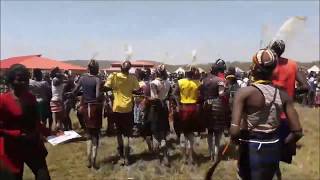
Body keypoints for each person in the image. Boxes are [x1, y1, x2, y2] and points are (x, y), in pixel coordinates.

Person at [230, 49, 303, 180]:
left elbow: (234, 132)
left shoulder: (244, 93)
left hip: (250, 148)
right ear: (274, 69)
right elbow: (297, 131)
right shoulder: (283, 95)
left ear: (254, 68)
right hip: (273, 147)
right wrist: (281, 144)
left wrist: (236, 141)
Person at [0, 64, 53, 180]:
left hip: (32, 145)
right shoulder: (3, 100)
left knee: (44, 177)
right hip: (11, 149)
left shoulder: (30, 98)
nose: (23, 82)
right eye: (19, 79)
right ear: (11, 80)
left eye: (25, 79)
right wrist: (17, 134)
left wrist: (50, 132)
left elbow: (36, 122)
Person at [268, 40, 309, 179]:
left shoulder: (268, 65)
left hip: (269, 114)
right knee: (279, 152)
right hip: (287, 115)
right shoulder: (292, 64)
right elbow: (306, 86)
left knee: (267, 150)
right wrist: (292, 94)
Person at [104, 60, 140, 166]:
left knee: (119, 133)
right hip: (128, 108)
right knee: (127, 135)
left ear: (120, 67)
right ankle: (127, 158)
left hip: (117, 108)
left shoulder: (113, 76)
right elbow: (137, 90)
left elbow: (106, 88)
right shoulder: (133, 78)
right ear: (129, 69)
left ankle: (120, 156)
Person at [72, 60, 103, 169]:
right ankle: (93, 159)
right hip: (95, 108)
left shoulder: (82, 78)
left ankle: (88, 159)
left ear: (88, 68)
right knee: (95, 135)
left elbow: (74, 91)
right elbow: (98, 95)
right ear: (97, 69)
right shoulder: (97, 79)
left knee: (88, 134)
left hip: (85, 108)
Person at [200, 59, 229, 161]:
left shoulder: (204, 80)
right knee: (218, 132)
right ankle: (216, 155)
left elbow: (201, 94)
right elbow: (221, 94)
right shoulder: (220, 80)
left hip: (206, 106)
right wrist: (226, 92)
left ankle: (211, 153)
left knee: (210, 132)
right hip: (217, 106)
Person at [145, 64, 171, 166]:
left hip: (155, 108)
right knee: (163, 132)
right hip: (164, 107)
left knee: (155, 132)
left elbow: (154, 98)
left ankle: (159, 157)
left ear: (157, 72)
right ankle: (165, 156)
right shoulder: (168, 83)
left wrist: (147, 98)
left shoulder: (153, 83)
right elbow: (167, 96)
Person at [175, 66, 201, 165]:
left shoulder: (180, 82)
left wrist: (178, 105)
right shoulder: (197, 83)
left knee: (183, 133)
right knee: (190, 134)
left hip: (183, 108)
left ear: (186, 73)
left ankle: (184, 158)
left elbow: (175, 93)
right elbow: (199, 96)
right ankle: (191, 157)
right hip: (194, 108)